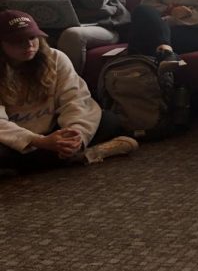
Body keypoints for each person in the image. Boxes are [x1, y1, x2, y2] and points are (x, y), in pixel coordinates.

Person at [0, 10, 138, 172]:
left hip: (55, 131)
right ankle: (84, 155)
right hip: (18, 139)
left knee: (110, 120)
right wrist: (40, 141)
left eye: (32, 37)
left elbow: (76, 99)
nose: (29, 45)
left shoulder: (56, 58)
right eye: (18, 41)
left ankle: (62, 155)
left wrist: (75, 136)